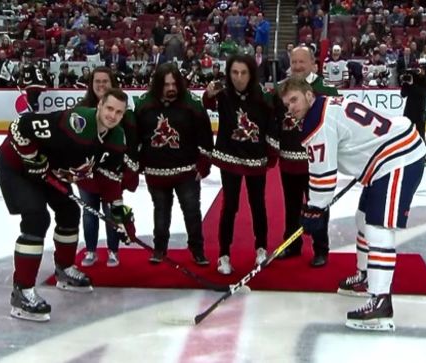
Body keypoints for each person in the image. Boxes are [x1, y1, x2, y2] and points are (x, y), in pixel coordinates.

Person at [279, 77, 426, 331]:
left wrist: (314, 209)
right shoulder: (326, 105)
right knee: (362, 219)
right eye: (286, 103)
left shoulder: (318, 123)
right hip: (386, 157)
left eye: (294, 99)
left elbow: (324, 178)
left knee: (379, 229)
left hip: (397, 158)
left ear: (309, 95)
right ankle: (366, 276)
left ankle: (380, 302)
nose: (290, 107)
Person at [0, 88, 133, 322]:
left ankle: (64, 269)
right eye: (109, 108)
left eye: (118, 112)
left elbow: (110, 183)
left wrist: (120, 216)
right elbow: (21, 125)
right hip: (16, 166)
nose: (112, 115)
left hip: (49, 172)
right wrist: (31, 157)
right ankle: (22, 291)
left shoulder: (116, 138)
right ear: (99, 106)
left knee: (69, 212)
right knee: (36, 218)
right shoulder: (76, 123)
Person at [202, 54, 279, 275]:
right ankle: (223, 254)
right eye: (234, 72)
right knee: (230, 206)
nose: (238, 77)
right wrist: (208, 95)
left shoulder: (263, 97)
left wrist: (271, 153)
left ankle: (261, 248)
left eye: (243, 73)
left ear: (251, 74)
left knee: (258, 204)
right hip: (230, 157)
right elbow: (207, 103)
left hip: (256, 158)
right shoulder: (224, 94)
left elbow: (272, 125)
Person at [133, 63, 214, 266]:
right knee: (160, 212)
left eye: (174, 83)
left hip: (187, 171)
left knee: (192, 212)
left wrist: (203, 165)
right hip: (156, 172)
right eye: (166, 84)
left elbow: (205, 137)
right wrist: (138, 163)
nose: (171, 88)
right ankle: (159, 248)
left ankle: (197, 250)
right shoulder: (144, 105)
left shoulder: (192, 104)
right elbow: (135, 137)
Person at [275, 46, 339, 267]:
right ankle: (292, 245)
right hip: (289, 162)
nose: (298, 67)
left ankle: (321, 248)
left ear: (314, 64)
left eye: (302, 62)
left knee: (319, 206)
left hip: (318, 164)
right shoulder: (281, 89)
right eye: (294, 62)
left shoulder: (327, 90)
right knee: (291, 206)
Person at [75, 67, 139, 268]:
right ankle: (91, 250)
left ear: (112, 84)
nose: (101, 85)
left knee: (112, 211)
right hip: (87, 174)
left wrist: (129, 170)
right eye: (97, 81)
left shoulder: (123, 113)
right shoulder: (82, 108)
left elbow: (132, 143)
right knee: (89, 212)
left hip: (113, 173)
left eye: (105, 81)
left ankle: (113, 250)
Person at [400, 58, 426, 166]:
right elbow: (403, 94)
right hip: (409, 112)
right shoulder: (410, 79)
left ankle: (422, 158)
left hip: (420, 113)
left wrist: (412, 84)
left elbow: (421, 94)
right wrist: (406, 83)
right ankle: (405, 156)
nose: (419, 72)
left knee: (421, 135)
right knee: (405, 135)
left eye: (422, 70)